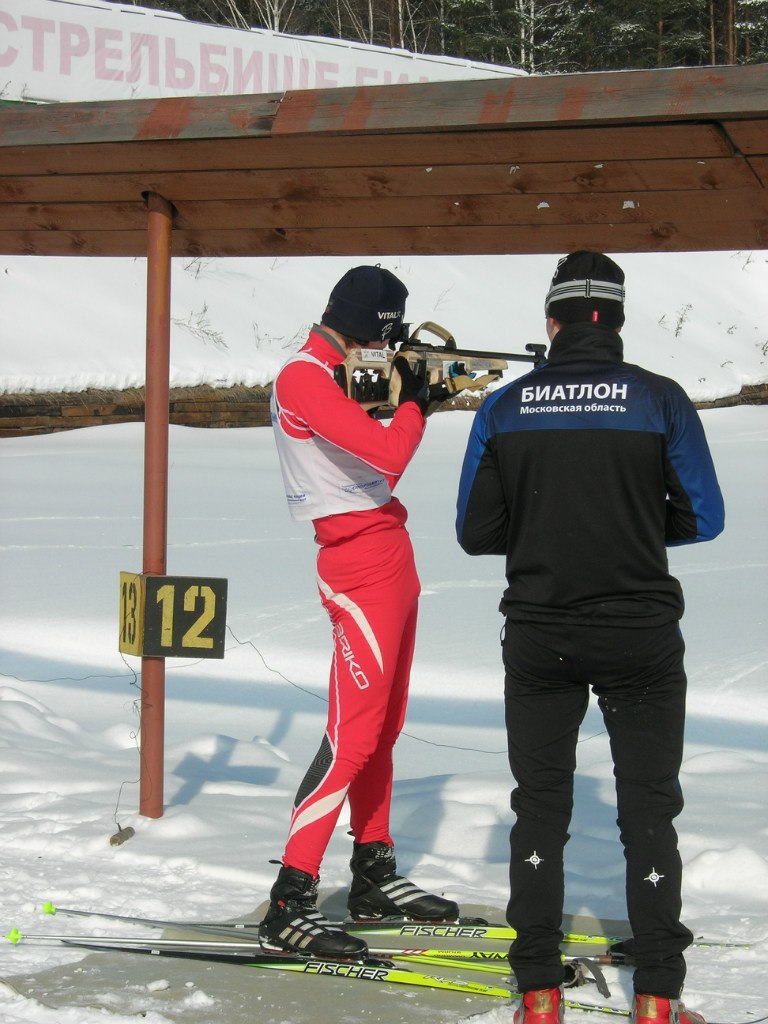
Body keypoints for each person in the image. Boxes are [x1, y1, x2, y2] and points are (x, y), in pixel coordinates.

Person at [455, 252, 725, 1024]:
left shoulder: (507, 407)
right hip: (640, 634)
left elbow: (477, 533)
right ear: (618, 319)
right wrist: (642, 522)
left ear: (553, 321)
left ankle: (539, 993)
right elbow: (705, 516)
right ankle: (658, 1000)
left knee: (539, 806)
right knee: (648, 809)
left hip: (541, 635)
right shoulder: (659, 399)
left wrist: (543, 525)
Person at [261, 264, 458, 960]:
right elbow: (388, 453)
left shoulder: (336, 373)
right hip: (356, 559)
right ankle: (291, 898)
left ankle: (373, 871)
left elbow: (367, 447)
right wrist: (418, 405)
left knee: (384, 726)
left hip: (389, 551)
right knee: (350, 736)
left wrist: (402, 391)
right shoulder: (303, 377)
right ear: (365, 331)